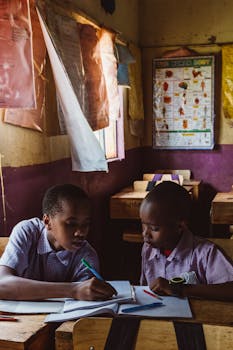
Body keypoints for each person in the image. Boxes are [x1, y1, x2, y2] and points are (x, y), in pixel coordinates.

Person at [0, 184, 116, 301]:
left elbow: (83, 303)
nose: (80, 233)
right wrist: (73, 290)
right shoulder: (27, 232)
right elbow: (2, 283)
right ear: (47, 221)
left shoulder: (86, 256)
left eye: (85, 224)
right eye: (71, 224)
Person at [139, 181, 233, 301]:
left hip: (200, 318)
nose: (145, 234)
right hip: (159, 317)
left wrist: (181, 289)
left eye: (154, 228)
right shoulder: (148, 250)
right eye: (143, 225)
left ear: (180, 226)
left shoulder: (205, 253)